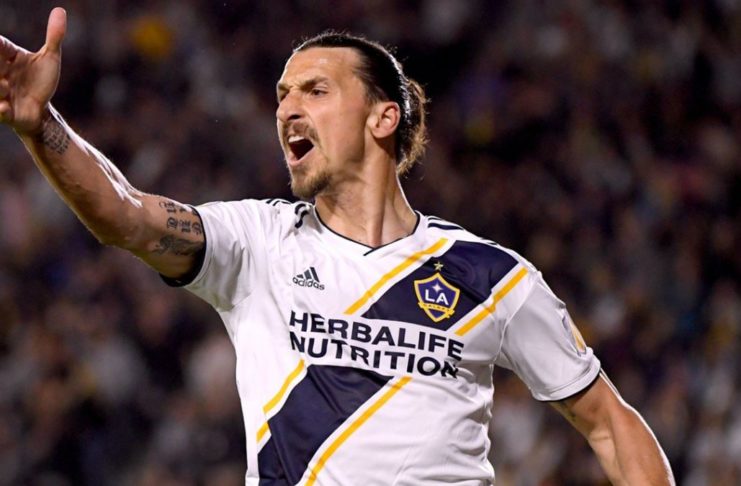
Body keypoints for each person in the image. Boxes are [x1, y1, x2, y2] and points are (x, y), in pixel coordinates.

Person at [1, 8, 675, 485]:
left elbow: (610, 425)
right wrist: (41, 125)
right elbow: (126, 216)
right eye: (282, 95)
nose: (286, 109)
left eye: (315, 90)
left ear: (383, 116)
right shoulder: (258, 243)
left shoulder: (492, 277)